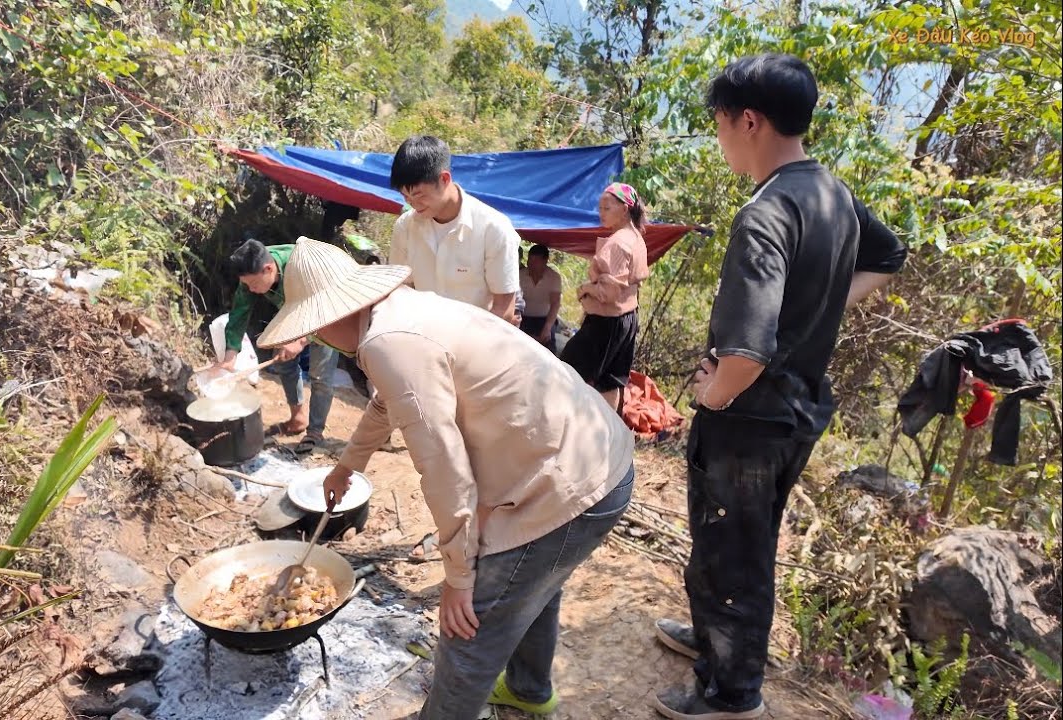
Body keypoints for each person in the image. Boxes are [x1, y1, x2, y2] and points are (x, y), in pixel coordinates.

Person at [255, 238, 636, 720]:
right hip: (601, 459)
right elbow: (389, 402)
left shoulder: (386, 342)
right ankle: (529, 689)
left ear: (330, 318)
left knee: (469, 627)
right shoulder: (403, 310)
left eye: (314, 327)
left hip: (567, 484)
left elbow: (444, 466)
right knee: (534, 587)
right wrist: (348, 464)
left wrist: (458, 575)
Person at [652, 54, 908, 719]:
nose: (718, 136)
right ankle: (717, 648)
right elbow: (890, 256)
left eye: (718, 123)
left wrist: (712, 395)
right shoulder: (831, 192)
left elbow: (744, 352)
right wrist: (820, 308)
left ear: (748, 120)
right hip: (797, 408)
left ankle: (731, 692)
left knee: (731, 552)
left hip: (749, 417)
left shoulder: (765, 213)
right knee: (747, 541)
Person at [217, 238, 339, 454]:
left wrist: (301, 340)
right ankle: (297, 418)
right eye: (247, 285)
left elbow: (327, 308)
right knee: (283, 362)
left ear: (269, 268)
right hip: (292, 311)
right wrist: (230, 355)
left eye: (254, 285)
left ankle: (315, 432)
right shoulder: (252, 272)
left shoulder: (302, 266)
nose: (251, 290)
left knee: (320, 375)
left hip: (328, 310)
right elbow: (239, 314)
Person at [387, 135, 521, 324]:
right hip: (421, 341)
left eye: (419, 195)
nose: (414, 205)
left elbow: (504, 309)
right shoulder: (405, 227)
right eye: (406, 197)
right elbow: (400, 291)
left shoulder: (494, 229)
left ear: (444, 178)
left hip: (475, 345)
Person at [559, 182, 650, 411]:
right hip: (627, 318)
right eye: (599, 208)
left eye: (607, 207)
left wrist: (586, 289)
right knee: (610, 381)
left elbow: (608, 293)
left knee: (567, 370)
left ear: (625, 208)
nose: (601, 213)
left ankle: (572, 426)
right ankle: (608, 436)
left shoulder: (618, 243)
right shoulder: (636, 237)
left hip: (606, 321)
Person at [519, 244, 563, 353]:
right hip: (523, 317)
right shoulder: (520, 275)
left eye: (536, 261)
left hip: (544, 319)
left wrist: (548, 327)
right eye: (530, 260)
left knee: (548, 348)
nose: (531, 264)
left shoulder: (553, 277)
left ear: (545, 261)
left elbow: (555, 303)